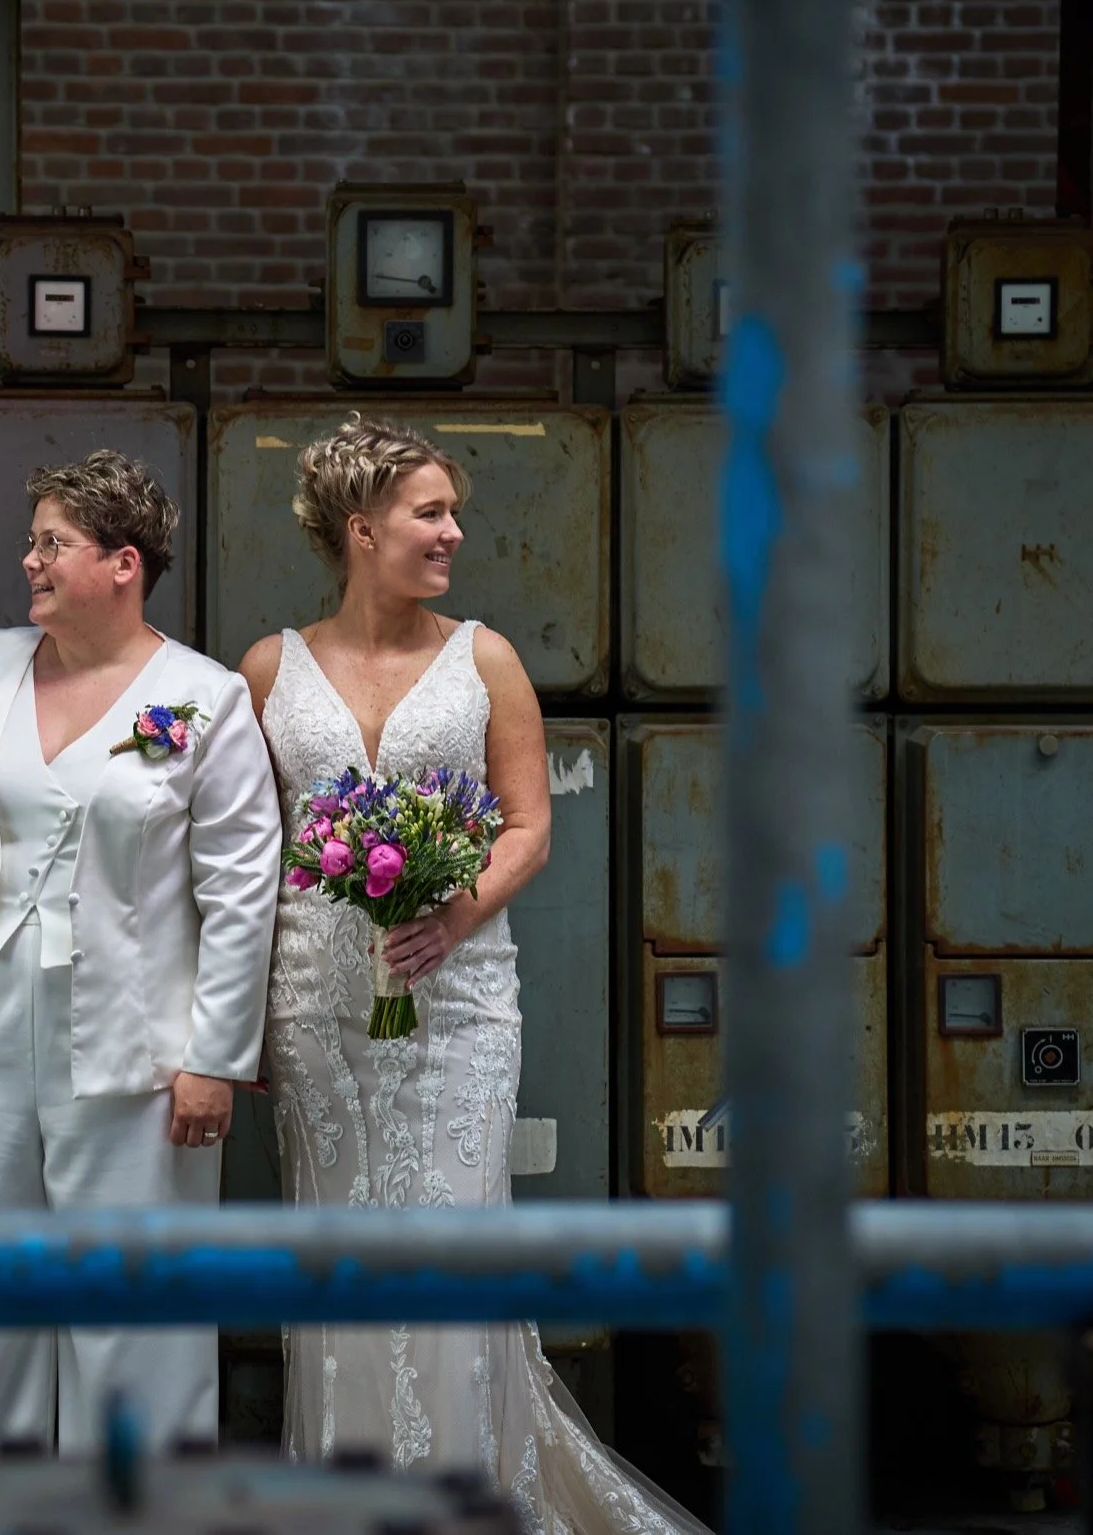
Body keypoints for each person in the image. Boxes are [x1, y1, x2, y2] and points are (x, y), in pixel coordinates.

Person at [240, 417, 709, 1534]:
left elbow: (529, 828)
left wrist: (452, 917)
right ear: (362, 529)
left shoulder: (484, 659)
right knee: (338, 1258)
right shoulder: (268, 668)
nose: (453, 532)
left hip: (455, 1007)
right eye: (431, 513)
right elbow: (251, 851)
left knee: (451, 1257)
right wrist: (237, 1020)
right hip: (316, 1004)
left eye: (453, 512)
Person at [0, 448, 282, 1462]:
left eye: (53, 542)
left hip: (137, 1057)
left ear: (123, 563)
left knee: (134, 1308)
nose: (30, 560)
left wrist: (216, 1057)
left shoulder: (202, 699)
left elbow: (240, 890)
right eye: (32, 540)